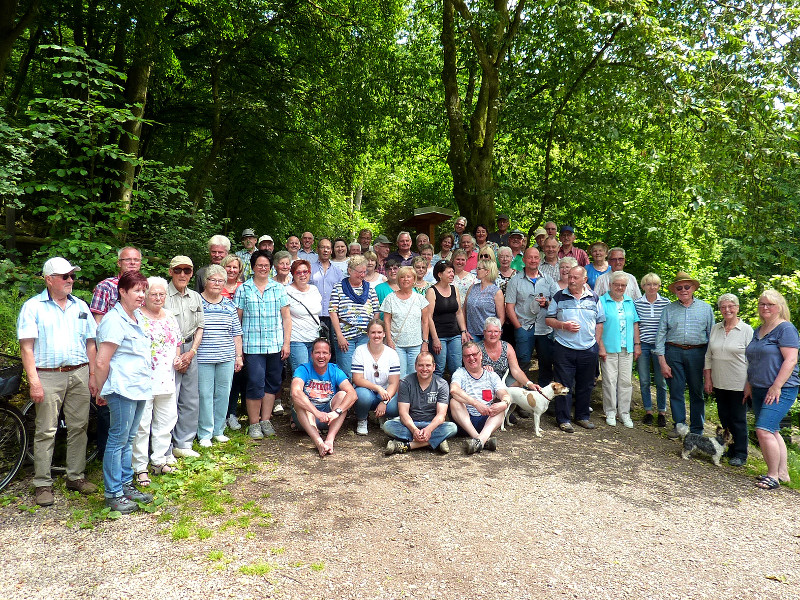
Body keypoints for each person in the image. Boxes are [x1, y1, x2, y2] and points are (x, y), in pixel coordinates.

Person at [18, 257, 99, 507]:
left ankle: (75, 476)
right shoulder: (33, 307)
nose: (70, 280)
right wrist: (34, 381)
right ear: (49, 279)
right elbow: (27, 348)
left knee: (79, 426)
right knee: (46, 430)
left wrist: (93, 375)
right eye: (65, 276)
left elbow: (90, 344)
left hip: (79, 373)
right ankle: (42, 483)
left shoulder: (80, 306)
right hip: (48, 374)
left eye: (72, 276)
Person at [94, 270, 154, 514]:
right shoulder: (113, 320)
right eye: (137, 291)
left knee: (129, 438)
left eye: (144, 290)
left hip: (138, 386)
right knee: (117, 439)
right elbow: (101, 361)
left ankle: (126, 484)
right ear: (122, 292)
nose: (142, 295)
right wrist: (101, 390)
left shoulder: (137, 316)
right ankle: (113, 493)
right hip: (121, 388)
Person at [89, 245, 142, 458]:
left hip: (133, 356)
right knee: (108, 410)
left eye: (135, 260)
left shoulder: (140, 285)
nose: (131, 263)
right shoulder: (106, 286)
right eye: (127, 260)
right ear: (119, 263)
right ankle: (106, 456)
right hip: (111, 354)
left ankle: (126, 458)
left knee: (129, 417)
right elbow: (97, 323)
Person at [234, 250, 291, 440]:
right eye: (259, 265)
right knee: (255, 383)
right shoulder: (244, 289)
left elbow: (286, 318)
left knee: (272, 384)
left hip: (275, 345)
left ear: (270, 267)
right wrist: (238, 349)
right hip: (252, 346)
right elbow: (237, 320)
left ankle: (266, 420)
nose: (263, 268)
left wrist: (286, 343)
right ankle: (254, 423)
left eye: (266, 265)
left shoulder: (278, 288)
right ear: (253, 267)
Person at [745, 290, 800, 489]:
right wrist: (748, 385)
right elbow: (753, 360)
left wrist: (776, 386)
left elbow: (791, 359)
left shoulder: (786, 329)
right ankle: (782, 473)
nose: (765, 307)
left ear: (780, 307)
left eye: (770, 304)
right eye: (762, 304)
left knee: (764, 429)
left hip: (781, 389)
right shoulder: (758, 329)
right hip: (758, 387)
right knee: (773, 430)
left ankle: (772, 476)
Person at [131, 277, 181, 486]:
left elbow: (177, 341)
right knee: (142, 424)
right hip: (143, 379)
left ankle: (159, 460)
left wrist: (178, 357)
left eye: (162, 294)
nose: (158, 298)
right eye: (153, 294)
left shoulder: (169, 316)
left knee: (166, 420)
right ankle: (140, 467)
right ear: (145, 296)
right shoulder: (136, 317)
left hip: (166, 376)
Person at [546, 266, 605, 433]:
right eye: (569, 277)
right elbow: (549, 319)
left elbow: (600, 322)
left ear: (584, 280)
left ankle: (582, 417)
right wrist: (563, 325)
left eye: (575, 278)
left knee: (586, 385)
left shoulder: (594, 298)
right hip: (564, 348)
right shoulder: (559, 296)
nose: (571, 280)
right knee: (564, 385)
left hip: (588, 348)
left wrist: (596, 343)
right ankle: (563, 419)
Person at [655, 272, 714, 437]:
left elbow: (712, 337)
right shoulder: (669, 309)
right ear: (675, 291)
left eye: (687, 287)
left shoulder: (706, 308)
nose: (683, 290)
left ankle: (697, 430)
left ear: (693, 288)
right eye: (679, 288)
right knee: (676, 390)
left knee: (696, 391)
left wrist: (710, 363)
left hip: (698, 353)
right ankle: (679, 425)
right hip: (673, 352)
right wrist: (662, 362)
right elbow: (660, 335)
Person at [703, 293, 753, 467]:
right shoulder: (716, 328)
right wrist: (708, 379)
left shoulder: (747, 330)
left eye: (731, 306)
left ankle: (740, 453)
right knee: (724, 418)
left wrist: (749, 384)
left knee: (738, 420)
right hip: (719, 382)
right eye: (723, 307)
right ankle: (728, 449)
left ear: (737, 308)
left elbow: (753, 360)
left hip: (739, 383)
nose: (727, 310)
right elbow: (708, 355)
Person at [196, 265, 244, 448]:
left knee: (223, 394)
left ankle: (218, 430)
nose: (217, 284)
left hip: (226, 356)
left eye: (220, 281)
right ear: (206, 282)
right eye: (213, 280)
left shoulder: (229, 305)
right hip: (203, 357)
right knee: (205, 395)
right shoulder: (197, 302)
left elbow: (236, 333)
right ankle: (205, 433)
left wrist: (238, 356)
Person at [165, 256, 205, 458]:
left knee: (190, 398)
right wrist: (178, 355)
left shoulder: (196, 297)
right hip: (167, 352)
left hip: (190, 349)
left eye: (187, 270)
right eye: (178, 270)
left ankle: (184, 443)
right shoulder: (161, 294)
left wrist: (191, 353)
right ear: (170, 271)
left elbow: (200, 327)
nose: (182, 274)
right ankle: (165, 446)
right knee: (168, 399)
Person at [290, 338, 357, 457]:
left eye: (325, 353)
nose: (321, 356)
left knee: (343, 395)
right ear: (312, 354)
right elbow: (295, 392)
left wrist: (336, 412)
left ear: (330, 355)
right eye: (317, 352)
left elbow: (352, 394)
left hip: (329, 418)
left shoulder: (334, 370)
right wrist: (316, 412)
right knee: (299, 398)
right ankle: (319, 442)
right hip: (307, 417)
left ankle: (330, 440)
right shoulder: (303, 369)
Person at [382, 352, 456, 455]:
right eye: (421, 365)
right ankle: (437, 440)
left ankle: (407, 445)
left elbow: (441, 415)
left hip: (432, 424)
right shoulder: (405, 383)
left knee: (452, 427)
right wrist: (414, 430)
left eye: (428, 365)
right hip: (411, 423)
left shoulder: (442, 384)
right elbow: (403, 413)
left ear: (434, 367)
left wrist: (429, 430)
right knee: (388, 426)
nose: (424, 369)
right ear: (416, 366)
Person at [505, 247, 559, 384]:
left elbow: (558, 302)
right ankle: (523, 395)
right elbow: (509, 306)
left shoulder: (548, 280)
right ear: (523, 260)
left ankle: (543, 395)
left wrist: (547, 303)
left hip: (545, 328)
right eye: (530, 257)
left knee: (546, 362)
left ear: (539, 260)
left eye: (536, 257)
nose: (533, 260)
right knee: (522, 362)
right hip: (524, 327)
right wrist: (518, 327)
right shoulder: (515, 281)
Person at [450, 341, 511, 454]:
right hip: (465, 421)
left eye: (474, 354)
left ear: (481, 355)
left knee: (501, 407)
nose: (471, 358)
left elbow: (504, 394)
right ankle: (482, 440)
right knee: (454, 401)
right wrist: (475, 403)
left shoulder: (492, 375)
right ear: (463, 359)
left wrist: (505, 403)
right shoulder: (460, 373)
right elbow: (454, 390)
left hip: (486, 421)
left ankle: (478, 442)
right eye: (467, 356)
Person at [598, 271, 641, 428]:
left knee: (625, 381)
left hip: (627, 348)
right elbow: (598, 325)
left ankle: (624, 413)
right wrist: (600, 345)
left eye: (623, 285)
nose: (620, 288)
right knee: (609, 381)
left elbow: (635, 323)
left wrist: (637, 345)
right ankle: (610, 412)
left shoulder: (629, 302)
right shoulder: (602, 301)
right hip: (608, 347)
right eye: (617, 285)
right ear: (610, 285)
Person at [329, 255, 380, 378]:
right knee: (347, 372)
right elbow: (332, 312)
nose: (362, 275)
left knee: (365, 370)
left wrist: (372, 332)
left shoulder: (370, 289)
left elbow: (376, 311)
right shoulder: (338, 288)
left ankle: (363, 396)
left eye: (364, 272)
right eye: (359, 272)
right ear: (350, 271)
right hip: (346, 337)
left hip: (365, 336)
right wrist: (339, 336)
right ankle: (348, 395)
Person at [351, 318, 401, 435]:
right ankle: (362, 420)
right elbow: (357, 379)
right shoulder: (360, 351)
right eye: (373, 332)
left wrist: (384, 402)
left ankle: (384, 416)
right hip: (367, 391)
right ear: (368, 334)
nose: (376, 335)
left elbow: (394, 383)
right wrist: (378, 388)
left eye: (379, 332)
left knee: (398, 405)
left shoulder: (392, 354)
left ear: (384, 334)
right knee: (361, 395)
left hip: (385, 394)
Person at [634, 273, 670, 426]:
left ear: (659, 286)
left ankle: (662, 412)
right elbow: (635, 325)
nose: (652, 287)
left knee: (661, 381)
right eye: (648, 284)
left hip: (660, 346)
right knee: (644, 380)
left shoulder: (666, 303)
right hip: (643, 345)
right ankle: (648, 411)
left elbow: (669, 326)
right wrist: (637, 345)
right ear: (643, 286)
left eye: (655, 284)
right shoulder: (637, 303)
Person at [381, 266, 431, 377]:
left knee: (415, 374)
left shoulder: (420, 298)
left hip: (416, 344)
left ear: (414, 280)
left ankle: (413, 395)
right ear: (398, 280)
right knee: (399, 374)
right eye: (402, 277)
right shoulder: (390, 298)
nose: (405, 279)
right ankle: (400, 395)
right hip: (396, 344)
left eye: (409, 277)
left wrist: (425, 342)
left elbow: (425, 321)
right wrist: (388, 340)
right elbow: (386, 321)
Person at [426, 260, 469, 377]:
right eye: (449, 272)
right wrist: (435, 339)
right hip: (439, 335)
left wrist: (463, 331)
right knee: (439, 368)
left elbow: (459, 312)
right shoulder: (431, 291)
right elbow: (428, 317)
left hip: (454, 334)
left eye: (452, 272)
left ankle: (455, 392)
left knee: (457, 367)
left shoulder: (454, 289)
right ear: (440, 274)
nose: (452, 274)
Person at [479, 317, 540, 390]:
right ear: (484, 332)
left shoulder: (507, 347)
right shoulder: (477, 348)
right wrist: (481, 370)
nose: (493, 334)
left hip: (503, 378)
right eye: (489, 331)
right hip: (484, 381)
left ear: (500, 333)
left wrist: (529, 384)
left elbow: (516, 370)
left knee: (518, 384)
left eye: (496, 331)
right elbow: (471, 371)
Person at [286, 260, 324, 372]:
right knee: (302, 374)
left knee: (314, 374)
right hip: (297, 339)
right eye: (298, 272)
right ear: (293, 274)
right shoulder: (287, 291)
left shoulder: (314, 289)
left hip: (314, 338)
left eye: (305, 272)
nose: (302, 275)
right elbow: (285, 318)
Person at [311, 238, 344, 354]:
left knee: (333, 349)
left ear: (331, 251)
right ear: (317, 249)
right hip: (314, 314)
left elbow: (342, 294)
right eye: (322, 247)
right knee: (316, 348)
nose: (325, 250)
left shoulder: (338, 272)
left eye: (328, 248)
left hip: (332, 315)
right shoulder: (310, 269)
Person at [464, 258, 504, 342]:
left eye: (479, 268)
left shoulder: (496, 292)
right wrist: (464, 331)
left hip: (489, 335)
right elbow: (464, 310)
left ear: (487, 271)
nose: (476, 270)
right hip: (471, 334)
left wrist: (494, 333)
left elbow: (501, 317)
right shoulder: (472, 288)